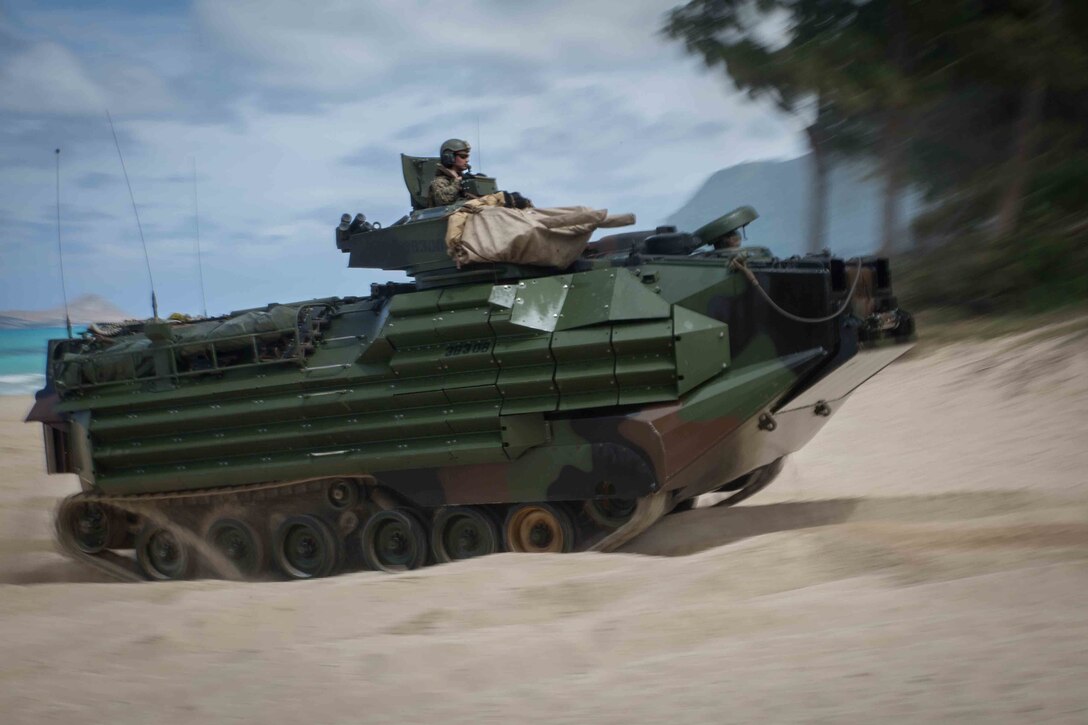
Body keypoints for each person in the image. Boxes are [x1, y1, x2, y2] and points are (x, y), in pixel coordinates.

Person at [427, 138, 473, 207]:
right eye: (463, 156)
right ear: (449, 157)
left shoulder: (465, 180)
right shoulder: (439, 182)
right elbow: (444, 199)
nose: (467, 160)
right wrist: (457, 182)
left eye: (467, 157)